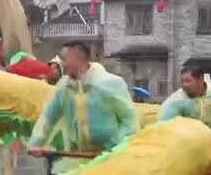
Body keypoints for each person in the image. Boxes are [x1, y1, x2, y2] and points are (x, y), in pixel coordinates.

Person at [29, 42, 139, 174]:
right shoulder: (63, 87)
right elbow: (48, 117)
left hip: (110, 159)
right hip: (77, 157)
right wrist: (36, 142)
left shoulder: (110, 84)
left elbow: (130, 121)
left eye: (65, 59)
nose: (62, 64)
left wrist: (117, 148)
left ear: (80, 59)